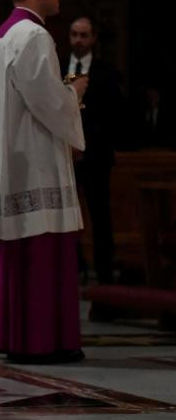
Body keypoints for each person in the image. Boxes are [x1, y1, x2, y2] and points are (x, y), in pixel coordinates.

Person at [0, 0, 87, 365]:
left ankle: (17, 335)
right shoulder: (33, 35)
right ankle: (42, 340)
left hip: (11, 164)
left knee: (20, 250)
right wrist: (74, 95)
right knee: (41, 251)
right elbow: (47, 101)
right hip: (33, 164)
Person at [64, 16, 121, 284]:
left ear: (93, 39)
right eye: (74, 34)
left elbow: (111, 116)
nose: (78, 40)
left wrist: (84, 145)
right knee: (65, 214)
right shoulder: (58, 69)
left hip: (95, 154)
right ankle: (73, 266)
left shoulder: (106, 72)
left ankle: (105, 271)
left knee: (100, 214)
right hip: (63, 155)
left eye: (84, 35)